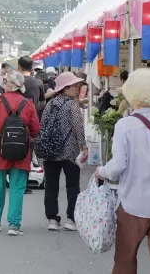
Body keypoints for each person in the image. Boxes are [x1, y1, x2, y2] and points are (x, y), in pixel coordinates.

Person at [95, 68, 150, 274]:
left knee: (125, 258)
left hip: (134, 202)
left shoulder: (124, 125)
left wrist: (101, 171)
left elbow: (117, 166)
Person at [0, 71, 40, 235]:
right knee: (17, 187)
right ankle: (14, 224)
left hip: (0, 148)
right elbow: (35, 128)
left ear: (8, 85)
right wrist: (32, 137)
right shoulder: (27, 103)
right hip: (21, 150)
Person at [39, 72, 88, 231]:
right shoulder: (72, 105)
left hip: (51, 150)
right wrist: (84, 146)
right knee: (72, 185)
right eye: (74, 86)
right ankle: (71, 219)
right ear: (65, 88)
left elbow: (42, 125)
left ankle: (52, 219)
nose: (77, 88)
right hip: (70, 151)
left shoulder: (50, 104)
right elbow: (78, 127)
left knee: (51, 185)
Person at [18, 56, 46, 195]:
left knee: (14, 151)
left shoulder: (15, 82)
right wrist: (34, 110)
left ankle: (14, 180)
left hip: (14, 122)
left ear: (19, 67)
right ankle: (24, 183)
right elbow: (43, 102)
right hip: (31, 123)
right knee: (28, 153)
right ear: (32, 68)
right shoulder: (38, 82)